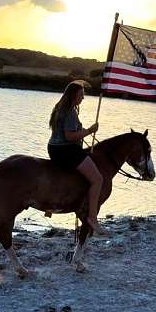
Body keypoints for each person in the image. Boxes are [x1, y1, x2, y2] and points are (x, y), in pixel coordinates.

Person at [48, 80, 102, 231]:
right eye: (81, 95)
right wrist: (90, 131)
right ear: (73, 95)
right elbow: (70, 136)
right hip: (66, 150)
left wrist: (83, 131)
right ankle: (92, 217)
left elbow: (71, 131)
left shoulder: (59, 107)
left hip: (54, 147)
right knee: (97, 179)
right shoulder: (70, 111)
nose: (83, 98)